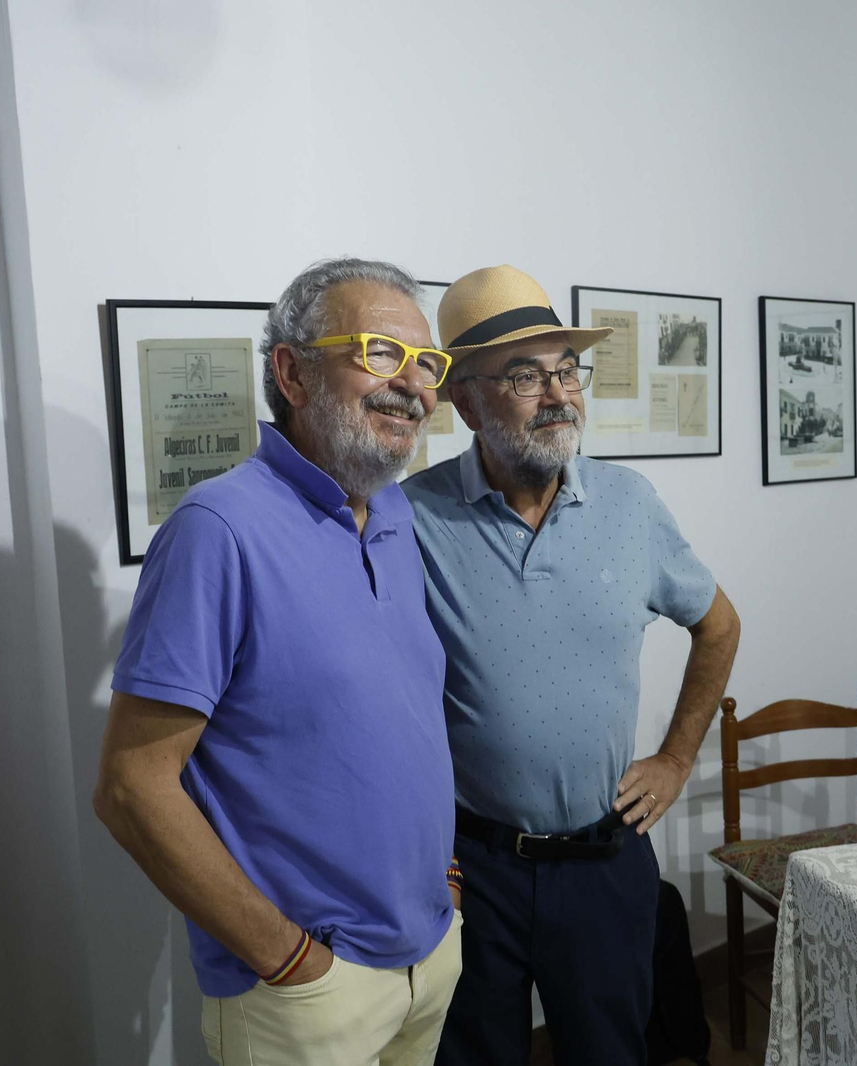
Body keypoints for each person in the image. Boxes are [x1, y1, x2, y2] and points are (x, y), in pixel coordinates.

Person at [94, 257, 464, 1066]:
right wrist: (291, 960)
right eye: (379, 353)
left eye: (426, 364)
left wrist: (447, 883)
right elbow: (132, 789)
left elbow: (396, 720)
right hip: (308, 993)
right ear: (292, 373)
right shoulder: (217, 529)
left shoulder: (395, 511)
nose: (413, 387)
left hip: (429, 954)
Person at [402, 265, 741, 1066]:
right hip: (469, 867)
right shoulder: (411, 519)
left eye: (566, 370)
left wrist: (676, 758)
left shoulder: (629, 504)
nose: (558, 394)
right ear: (464, 400)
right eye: (525, 375)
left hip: (604, 861)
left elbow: (719, 626)